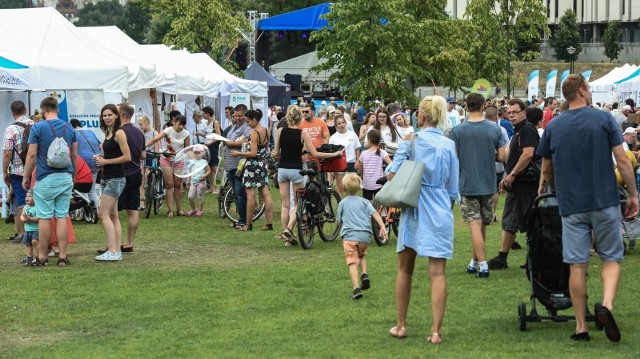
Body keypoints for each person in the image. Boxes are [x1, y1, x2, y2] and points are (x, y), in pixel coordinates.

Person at [537, 73, 639, 342]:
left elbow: (546, 168)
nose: (591, 92)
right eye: (590, 88)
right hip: (604, 200)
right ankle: (606, 304)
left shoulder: (554, 126)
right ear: (581, 90)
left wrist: (557, 189)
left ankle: (580, 326)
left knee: (577, 264)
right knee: (611, 258)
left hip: (572, 205)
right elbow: (624, 161)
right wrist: (633, 194)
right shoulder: (603, 119)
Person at [387, 95, 459, 344]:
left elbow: (393, 176)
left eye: (418, 112)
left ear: (424, 116)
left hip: (414, 207)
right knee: (438, 272)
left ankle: (401, 325)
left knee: (405, 268)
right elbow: (453, 189)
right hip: (440, 208)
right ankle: (436, 331)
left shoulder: (411, 141)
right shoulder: (449, 146)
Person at [450, 94, 507, 278]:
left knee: (474, 224)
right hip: (488, 181)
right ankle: (477, 262)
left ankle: (480, 263)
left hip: (467, 181)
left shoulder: (458, 131)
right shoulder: (494, 130)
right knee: (481, 223)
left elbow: (454, 156)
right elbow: (502, 157)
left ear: (466, 106)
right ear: (483, 106)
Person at [272, 106, 344, 246]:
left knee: (285, 205)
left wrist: (283, 154)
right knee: (297, 203)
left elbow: (276, 152)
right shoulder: (302, 133)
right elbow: (315, 154)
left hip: (282, 169)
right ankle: (288, 229)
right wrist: (335, 154)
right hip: (296, 169)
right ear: (299, 117)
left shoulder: (280, 131)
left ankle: (287, 238)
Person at [22, 96, 77, 267]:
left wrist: (26, 176)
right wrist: (73, 175)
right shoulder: (69, 128)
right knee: (62, 215)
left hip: (45, 177)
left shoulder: (38, 127)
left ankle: (43, 257)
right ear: (57, 109)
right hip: (65, 177)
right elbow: (74, 155)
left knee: (44, 216)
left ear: (43, 110)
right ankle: (62, 256)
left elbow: (31, 155)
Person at [488, 98, 540, 270]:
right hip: (521, 182)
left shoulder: (527, 130)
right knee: (529, 220)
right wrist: (507, 176)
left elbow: (528, 154)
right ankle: (532, 259)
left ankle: (502, 258)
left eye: (514, 112)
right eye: (508, 113)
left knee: (511, 219)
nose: (511, 116)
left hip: (523, 183)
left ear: (523, 113)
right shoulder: (520, 130)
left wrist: (512, 174)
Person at [337, 173, 386, 300]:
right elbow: (375, 213)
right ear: (359, 188)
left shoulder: (342, 203)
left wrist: (342, 224)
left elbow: (338, 221)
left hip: (349, 237)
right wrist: (382, 226)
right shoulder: (364, 202)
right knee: (361, 255)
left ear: (344, 188)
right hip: (364, 237)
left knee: (352, 262)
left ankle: (356, 288)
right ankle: (364, 274)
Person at [95, 104, 131, 261]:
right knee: (113, 215)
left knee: (103, 214)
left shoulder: (119, 133)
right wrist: (101, 159)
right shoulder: (108, 133)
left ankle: (113, 250)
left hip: (115, 178)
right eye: (104, 115)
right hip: (109, 177)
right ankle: (116, 250)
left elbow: (127, 157)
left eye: (110, 115)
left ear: (117, 115)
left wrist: (106, 161)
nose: (107, 118)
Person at [231, 109, 273, 231]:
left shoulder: (254, 133)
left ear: (254, 119)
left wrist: (238, 153)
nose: (247, 124)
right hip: (262, 164)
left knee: (250, 195)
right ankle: (269, 224)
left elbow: (253, 152)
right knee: (266, 194)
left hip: (252, 165)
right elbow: (265, 149)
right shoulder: (265, 130)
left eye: (248, 121)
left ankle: (248, 224)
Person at [145, 115, 190, 217]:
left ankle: (179, 209)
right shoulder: (168, 130)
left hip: (179, 159)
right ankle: (170, 210)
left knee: (178, 186)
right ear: (174, 122)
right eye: (179, 124)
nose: (181, 127)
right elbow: (154, 139)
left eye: (183, 125)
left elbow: (188, 149)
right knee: (169, 184)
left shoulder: (186, 134)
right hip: (166, 158)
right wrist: (142, 146)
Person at [115, 103, 145, 253]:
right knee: (133, 210)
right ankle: (129, 243)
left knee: (112, 211)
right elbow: (143, 155)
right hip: (136, 173)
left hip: (122, 174)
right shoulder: (139, 132)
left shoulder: (119, 131)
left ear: (121, 115)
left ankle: (113, 244)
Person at [3, 100, 34, 245]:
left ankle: (25, 235)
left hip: (18, 170)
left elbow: (7, 154)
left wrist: (4, 171)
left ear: (12, 113)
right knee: (36, 200)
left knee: (22, 201)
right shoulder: (36, 125)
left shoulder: (10, 129)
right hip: (35, 169)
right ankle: (36, 232)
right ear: (26, 110)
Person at [223, 104, 252, 228]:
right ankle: (241, 219)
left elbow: (249, 140)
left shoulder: (247, 127)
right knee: (236, 194)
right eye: (236, 116)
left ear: (245, 115)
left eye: (241, 116)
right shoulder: (234, 126)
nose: (238, 118)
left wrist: (232, 144)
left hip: (239, 165)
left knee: (240, 193)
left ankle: (243, 221)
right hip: (231, 165)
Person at [69, 119, 102, 210]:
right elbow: (100, 146)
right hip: (96, 161)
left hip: (83, 164)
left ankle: (87, 209)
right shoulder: (90, 132)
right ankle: (95, 209)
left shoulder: (73, 134)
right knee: (92, 189)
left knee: (81, 189)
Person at [329, 116, 360, 196]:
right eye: (339, 124)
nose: (342, 125)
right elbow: (331, 153)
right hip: (339, 163)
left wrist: (357, 160)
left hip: (351, 162)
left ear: (346, 123)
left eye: (343, 123)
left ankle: (352, 205)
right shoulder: (333, 138)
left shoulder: (352, 134)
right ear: (336, 126)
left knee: (352, 187)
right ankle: (341, 205)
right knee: (340, 187)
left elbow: (357, 148)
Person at [358, 130, 392, 201]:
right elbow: (392, 165)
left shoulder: (363, 153)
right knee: (380, 204)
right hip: (379, 184)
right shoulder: (382, 152)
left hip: (367, 184)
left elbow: (361, 169)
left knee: (367, 204)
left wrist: (361, 178)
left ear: (369, 140)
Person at [138, 114, 158, 206]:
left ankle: (150, 197)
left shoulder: (155, 133)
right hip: (142, 157)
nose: (140, 126)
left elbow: (156, 148)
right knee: (141, 179)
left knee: (148, 176)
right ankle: (141, 203)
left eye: (141, 124)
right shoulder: (141, 133)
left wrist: (156, 157)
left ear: (146, 123)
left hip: (151, 156)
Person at [201, 106, 222, 194]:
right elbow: (207, 135)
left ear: (208, 114)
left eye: (203, 113)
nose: (203, 115)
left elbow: (218, 136)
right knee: (208, 167)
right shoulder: (205, 123)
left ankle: (218, 188)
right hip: (206, 147)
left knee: (215, 167)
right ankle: (211, 187)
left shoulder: (215, 122)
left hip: (213, 147)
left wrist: (210, 143)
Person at [186, 146, 211, 217]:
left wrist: (204, 176)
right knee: (190, 197)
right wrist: (188, 180)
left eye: (199, 153)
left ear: (202, 154)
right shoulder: (191, 162)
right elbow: (190, 172)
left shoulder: (204, 162)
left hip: (201, 182)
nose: (197, 154)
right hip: (193, 182)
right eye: (195, 153)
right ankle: (193, 209)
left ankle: (200, 211)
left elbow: (209, 170)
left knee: (200, 196)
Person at [20, 189, 38, 265]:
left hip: (36, 230)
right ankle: (29, 257)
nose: (27, 198)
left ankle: (39, 256)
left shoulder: (37, 208)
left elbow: (39, 219)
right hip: (27, 230)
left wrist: (30, 219)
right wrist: (23, 219)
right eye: (26, 196)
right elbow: (22, 215)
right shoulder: (25, 207)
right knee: (28, 244)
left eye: (30, 196)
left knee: (35, 242)